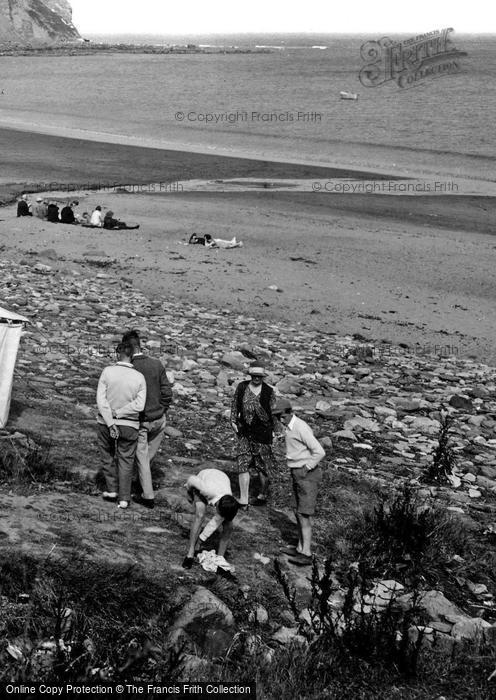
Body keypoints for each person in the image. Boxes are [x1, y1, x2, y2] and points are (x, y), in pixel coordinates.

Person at [121, 329, 173, 509]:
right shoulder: (156, 364)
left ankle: (148, 496)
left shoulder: (129, 368)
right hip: (159, 419)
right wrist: (161, 409)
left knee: (141, 458)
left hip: (141, 421)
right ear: (140, 345)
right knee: (146, 457)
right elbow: (167, 392)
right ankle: (140, 482)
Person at [272, 398, 325, 566]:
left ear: (289, 412)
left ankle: (307, 554)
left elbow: (319, 451)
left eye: (281, 416)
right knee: (297, 511)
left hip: (306, 474)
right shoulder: (289, 427)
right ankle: (300, 548)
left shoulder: (300, 427)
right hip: (296, 472)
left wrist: (306, 467)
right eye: (277, 417)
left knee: (304, 513)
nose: (279, 419)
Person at [96, 341, 147, 509]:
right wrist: (122, 412)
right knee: (126, 460)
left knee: (107, 454)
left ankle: (112, 489)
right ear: (133, 355)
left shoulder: (107, 372)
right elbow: (139, 405)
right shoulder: (139, 377)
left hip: (106, 421)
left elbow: (101, 400)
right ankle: (124, 498)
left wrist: (111, 420)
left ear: (117, 353)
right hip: (130, 424)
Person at [231, 364, 276, 506]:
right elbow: (235, 404)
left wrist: (275, 431)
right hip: (245, 430)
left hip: (263, 432)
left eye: (259, 376)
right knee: (242, 461)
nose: (256, 378)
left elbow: (274, 413)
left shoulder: (269, 391)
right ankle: (243, 498)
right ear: (250, 376)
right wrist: (232, 420)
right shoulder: (242, 387)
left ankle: (262, 495)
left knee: (263, 464)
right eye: (254, 376)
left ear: (263, 377)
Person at [183, 468, 240, 569]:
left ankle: (220, 558)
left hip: (221, 479)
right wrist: (189, 492)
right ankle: (190, 553)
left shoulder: (228, 500)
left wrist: (200, 540)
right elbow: (192, 479)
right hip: (205, 477)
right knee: (200, 514)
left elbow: (216, 521)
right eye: (220, 514)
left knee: (229, 525)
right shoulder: (206, 489)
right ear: (218, 507)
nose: (219, 517)